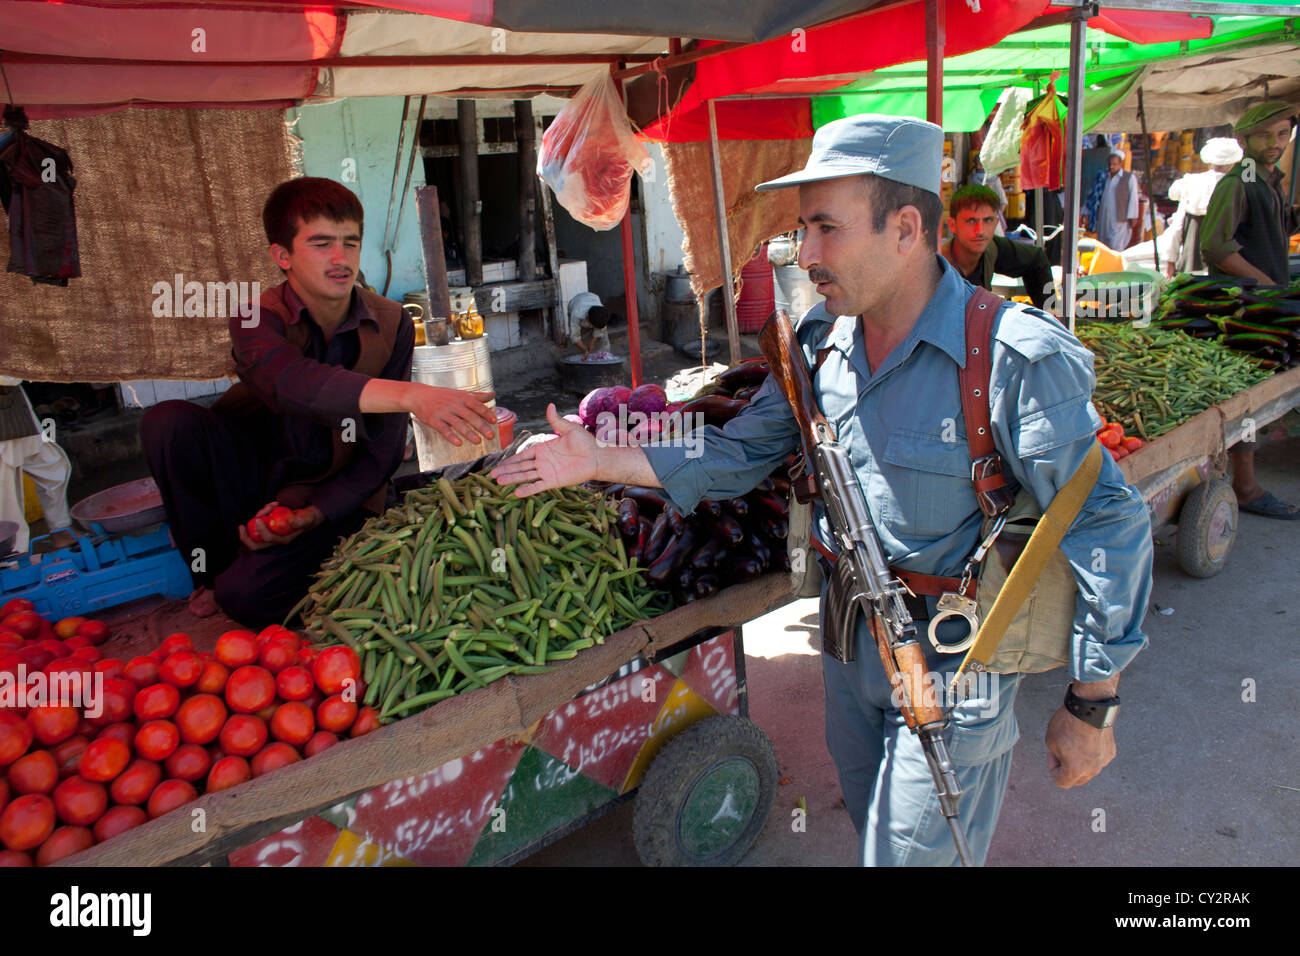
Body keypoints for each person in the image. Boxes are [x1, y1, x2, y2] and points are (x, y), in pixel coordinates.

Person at [492, 115, 1153, 867]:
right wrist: (601, 457)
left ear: (906, 228)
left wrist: (1093, 700)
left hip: (953, 663)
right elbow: (739, 450)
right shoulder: (819, 343)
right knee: (873, 833)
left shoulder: (1011, 358)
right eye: (803, 229)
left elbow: (1105, 519)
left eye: (825, 229)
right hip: (849, 644)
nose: (804, 254)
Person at [141, 177, 498, 626]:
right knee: (168, 422)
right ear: (282, 256)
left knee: (247, 599)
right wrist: (411, 395)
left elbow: (383, 452)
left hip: (331, 489)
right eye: (321, 243)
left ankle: (252, 577)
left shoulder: (391, 324)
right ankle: (210, 574)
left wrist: (314, 513)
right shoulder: (255, 317)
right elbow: (288, 382)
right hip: (248, 481)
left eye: (351, 243)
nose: (340, 259)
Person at [1201, 101, 1300, 520]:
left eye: (1283, 134)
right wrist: (1265, 285)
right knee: (1246, 400)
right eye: (1265, 135)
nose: (1276, 143)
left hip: (1263, 304)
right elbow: (1217, 247)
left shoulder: (1267, 180)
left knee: (1255, 398)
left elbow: (1269, 228)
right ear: (1243, 140)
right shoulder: (1238, 181)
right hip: (1244, 308)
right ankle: (1245, 485)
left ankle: (1239, 478)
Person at [941, 183, 1054, 309]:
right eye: (971, 221)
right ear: (952, 225)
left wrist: (1050, 312)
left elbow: (1036, 259)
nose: (980, 230)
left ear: (996, 223)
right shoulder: (936, 267)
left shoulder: (991, 248)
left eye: (987, 220)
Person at [0, 378, 74, 554]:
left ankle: (61, 530)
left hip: (14, 406)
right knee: (7, 495)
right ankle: (15, 557)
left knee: (53, 466)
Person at [1158, 138, 1243, 278]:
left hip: (1192, 263)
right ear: (1234, 163)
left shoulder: (1192, 183)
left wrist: (1170, 263)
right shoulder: (1239, 186)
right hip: (1229, 268)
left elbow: (1176, 228)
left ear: (1209, 163)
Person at [1083, 148, 1140, 253]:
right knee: (1103, 244)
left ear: (1120, 164)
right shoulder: (1104, 176)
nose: (1111, 167)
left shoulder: (1129, 178)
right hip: (1104, 217)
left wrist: (1132, 216)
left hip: (1119, 219)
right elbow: (1094, 196)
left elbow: (1133, 199)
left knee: (1116, 246)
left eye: (1114, 164)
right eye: (1110, 164)